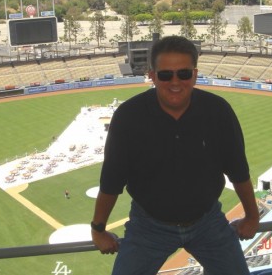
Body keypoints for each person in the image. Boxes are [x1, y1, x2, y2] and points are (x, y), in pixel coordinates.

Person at [91, 35, 259, 275]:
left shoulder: (218, 110)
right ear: (152, 75)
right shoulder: (129, 116)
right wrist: (98, 229)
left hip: (208, 222)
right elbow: (111, 181)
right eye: (165, 75)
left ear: (195, 74)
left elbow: (238, 171)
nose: (175, 82)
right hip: (148, 226)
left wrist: (252, 217)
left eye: (184, 73)